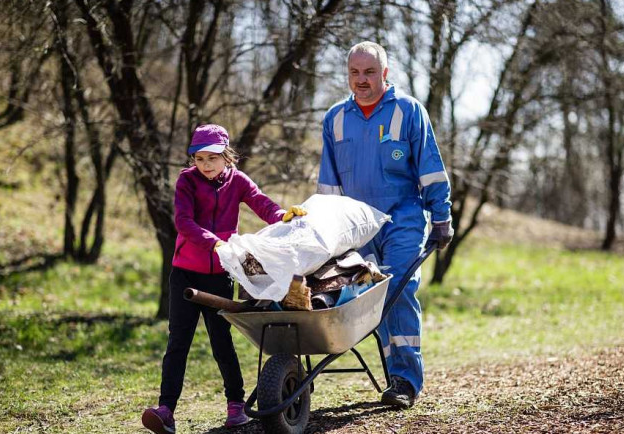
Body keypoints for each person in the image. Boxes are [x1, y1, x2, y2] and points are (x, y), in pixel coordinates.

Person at [142, 124, 306, 434]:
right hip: (185, 275)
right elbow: (184, 222)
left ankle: (235, 407)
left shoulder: (238, 181)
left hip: (219, 277)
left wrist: (283, 215)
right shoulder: (186, 181)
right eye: (199, 158)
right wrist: (214, 242)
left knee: (222, 343)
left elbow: (262, 203)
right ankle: (166, 411)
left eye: (212, 158)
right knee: (178, 342)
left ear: (226, 156)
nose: (205, 165)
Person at [317, 42, 453, 409]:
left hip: (403, 219)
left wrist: (441, 217)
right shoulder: (335, 119)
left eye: (370, 72)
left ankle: (406, 380)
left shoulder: (409, 111)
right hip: (357, 227)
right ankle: (393, 375)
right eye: (355, 73)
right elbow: (328, 185)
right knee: (370, 298)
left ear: (385, 74)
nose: (362, 80)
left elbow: (430, 168)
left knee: (400, 290)